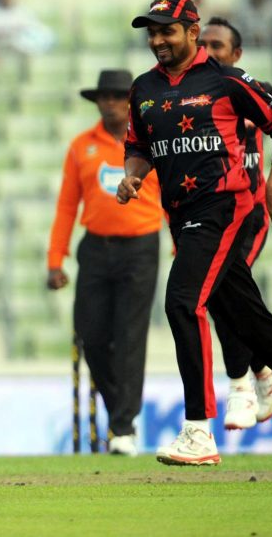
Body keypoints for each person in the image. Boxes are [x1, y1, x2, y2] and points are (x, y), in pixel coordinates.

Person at [117, 0, 272, 466]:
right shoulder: (143, 87)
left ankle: (198, 431)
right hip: (181, 218)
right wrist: (133, 174)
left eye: (167, 30)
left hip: (222, 209)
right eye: (152, 32)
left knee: (182, 302)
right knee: (253, 327)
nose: (158, 40)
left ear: (192, 30)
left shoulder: (227, 80)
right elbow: (137, 144)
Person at [196, 17, 272, 431]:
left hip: (248, 215)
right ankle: (260, 371)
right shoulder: (195, 98)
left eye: (217, 44)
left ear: (236, 54)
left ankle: (240, 384)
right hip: (209, 216)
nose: (209, 50)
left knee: (221, 294)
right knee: (230, 301)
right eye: (203, 43)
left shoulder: (244, 91)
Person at [47, 69, 163, 457]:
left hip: (141, 246)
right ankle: (121, 418)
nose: (110, 102)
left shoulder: (151, 144)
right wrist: (55, 258)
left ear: (130, 102)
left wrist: (181, 244)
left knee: (130, 336)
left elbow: (174, 197)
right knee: (91, 335)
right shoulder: (82, 146)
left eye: (118, 96)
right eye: (105, 96)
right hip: (95, 247)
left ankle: (123, 427)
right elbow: (67, 204)